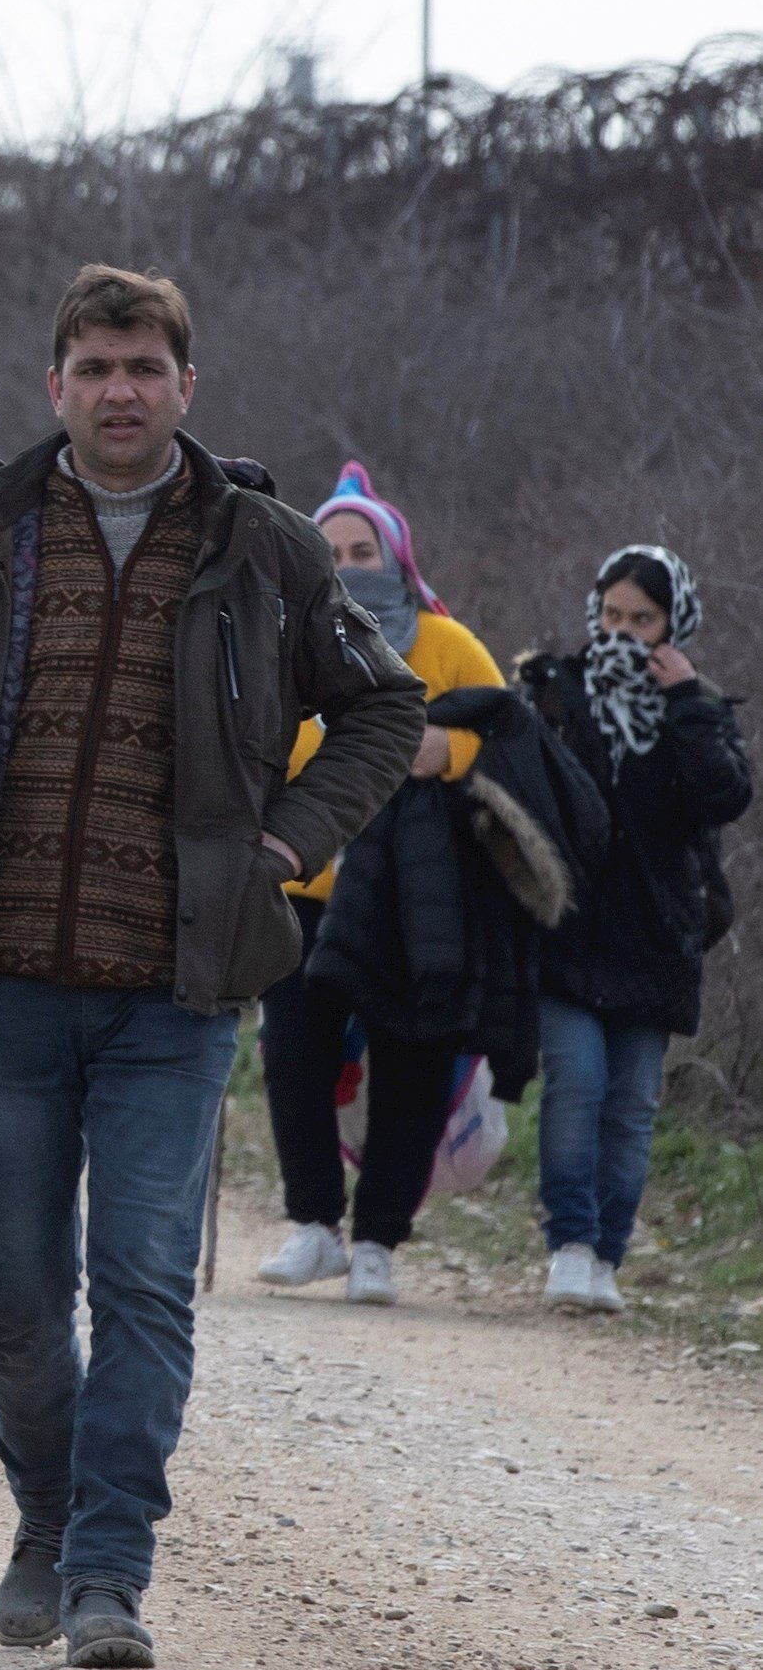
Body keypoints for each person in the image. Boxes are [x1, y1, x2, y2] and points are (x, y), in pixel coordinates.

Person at [0, 266, 422, 1669]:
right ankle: (44, 1515)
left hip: (178, 992)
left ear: (184, 386)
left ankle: (108, 1567)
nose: (117, 389)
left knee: (144, 1285)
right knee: (22, 1298)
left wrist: (279, 844)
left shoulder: (266, 548)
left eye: (142, 366)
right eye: (93, 365)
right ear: (54, 384)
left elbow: (383, 705)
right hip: (6, 984)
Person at [254, 466, 508, 1306]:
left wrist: (455, 753)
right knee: (294, 1060)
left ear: (397, 558)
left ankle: (379, 1243)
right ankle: (315, 1227)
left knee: (411, 1067)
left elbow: (511, 739)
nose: (349, 564)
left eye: (363, 550)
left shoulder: (447, 645)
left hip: (414, 902)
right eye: (331, 552)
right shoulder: (278, 638)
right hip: (303, 884)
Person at [520, 548, 752, 1314]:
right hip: (570, 930)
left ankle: (608, 1257)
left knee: (632, 1104)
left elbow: (724, 797)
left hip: (658, 940)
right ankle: (571, 1247)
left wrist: (684, 700)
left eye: (642, 620)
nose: (623, 632)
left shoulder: (702, 708)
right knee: (577, 1082)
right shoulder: (555, 691)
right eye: (613, 615)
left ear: (672, 626)